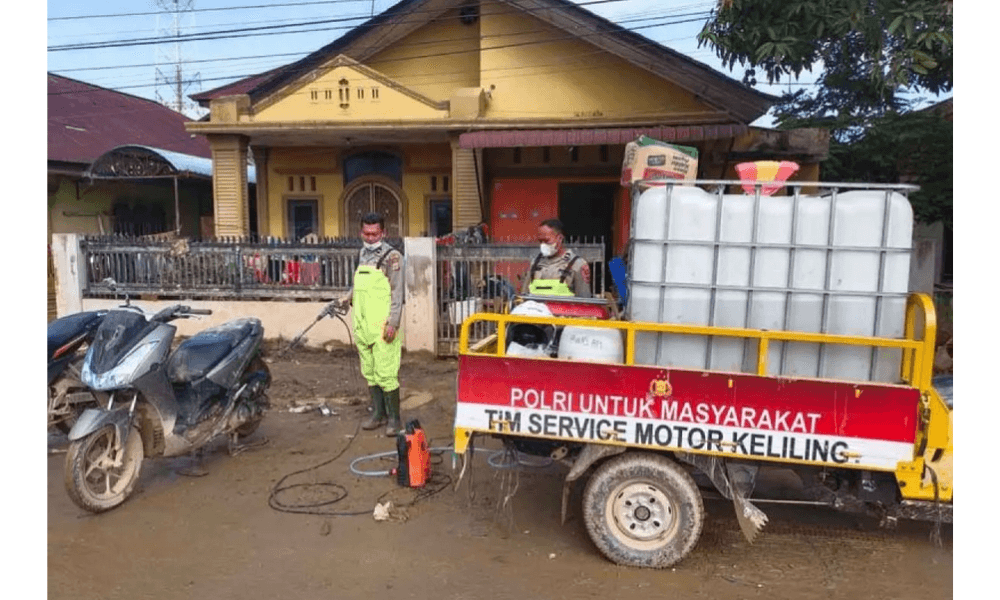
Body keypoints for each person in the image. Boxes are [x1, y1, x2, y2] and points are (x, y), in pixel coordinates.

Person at [325, 213, 405, 435]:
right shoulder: (362, 254)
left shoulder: (393, 257)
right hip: (362, 323)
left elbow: (397, 293)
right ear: (361, 233)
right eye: (367, 234)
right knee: (369, 371)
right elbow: (359, 286)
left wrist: (394, 323)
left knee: (386, 372)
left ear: (383, 233)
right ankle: (378, 414)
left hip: (382, 325)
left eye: (375, 234)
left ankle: (394, 420)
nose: (371, 238)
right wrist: (345, 298)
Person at [521, 218, 592, 297]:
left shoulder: (577, 264)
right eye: (540, 241)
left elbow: (585, 301)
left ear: (560, 238)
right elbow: (524, 295)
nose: (543, 245)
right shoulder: (535, 263)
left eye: (546, 240)